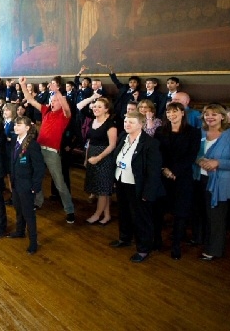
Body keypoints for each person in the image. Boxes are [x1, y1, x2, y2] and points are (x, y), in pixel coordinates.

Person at [192, 104, 230, 261]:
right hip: (199, 178)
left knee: (215, 217)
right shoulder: (201, 132)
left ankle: (213, 249)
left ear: (222, 117)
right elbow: (194, 153)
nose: (210, 117)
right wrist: (199, 159)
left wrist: (218, 163)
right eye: (207, 114)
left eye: (214, 114)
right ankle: (201, 240)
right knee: (201, 213)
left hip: (219, 182)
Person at [109, 111, 164, 263]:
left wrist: (148, 192)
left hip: (139, 186)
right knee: (124, 212)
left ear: (141, 124)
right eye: (126, 121)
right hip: (122, 181)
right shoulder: (123, 137)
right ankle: (125, 238)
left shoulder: (150, 143)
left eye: (131, 122)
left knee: (141, 218)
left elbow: (153, 172)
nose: (127, 124)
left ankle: (143, 249)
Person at [18, 76, 74, 222]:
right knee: (36, 177)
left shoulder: (64, 115)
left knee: (59, 182)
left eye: (55, 100)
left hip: (51, 152)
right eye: (52, 100)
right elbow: (30, 100)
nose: (53, 102)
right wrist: (23, 85)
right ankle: (38, 201)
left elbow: (66, 107)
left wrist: (57, 92)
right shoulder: (46, 111)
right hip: (37, 149)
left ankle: (69, 210)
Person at [154, 102, 202, 260]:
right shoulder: (160, 131)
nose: (171, 115)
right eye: (168, 112)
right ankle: (157, 240)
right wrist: (164, 169)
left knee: (180, 212)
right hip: (163, 175)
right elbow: (157, 153)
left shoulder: (193, 132)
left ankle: (176, 245)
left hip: (182, 177)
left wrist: (175, 171)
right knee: (159, 210)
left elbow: (191, 155)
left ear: (182, 113)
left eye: (175, 112)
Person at [7, 116, 46, 254]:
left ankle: (33, 242)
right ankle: (20, 230)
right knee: (18, 208)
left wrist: (35, 186)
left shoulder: (32, 145)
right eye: (15, 124)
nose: (16, 127)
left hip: (27, 185)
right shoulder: (14, 142)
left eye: (19, 125)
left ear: (27, 128)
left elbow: (39, 168)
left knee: (29, 213)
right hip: (16, 183)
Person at [80, 97, 117, 225]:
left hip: (105, 157)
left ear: (107, 109)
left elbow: (112, 145)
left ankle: (97, 214)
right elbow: (90, 142)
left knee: (103, 189)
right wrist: (86, 158)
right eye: (95, 106)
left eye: (99, 106)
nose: (95, 108)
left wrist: (98, 157)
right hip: (92, 154)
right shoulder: (92, 122)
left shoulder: (110, 124)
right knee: (101, 188)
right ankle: (106, 215)